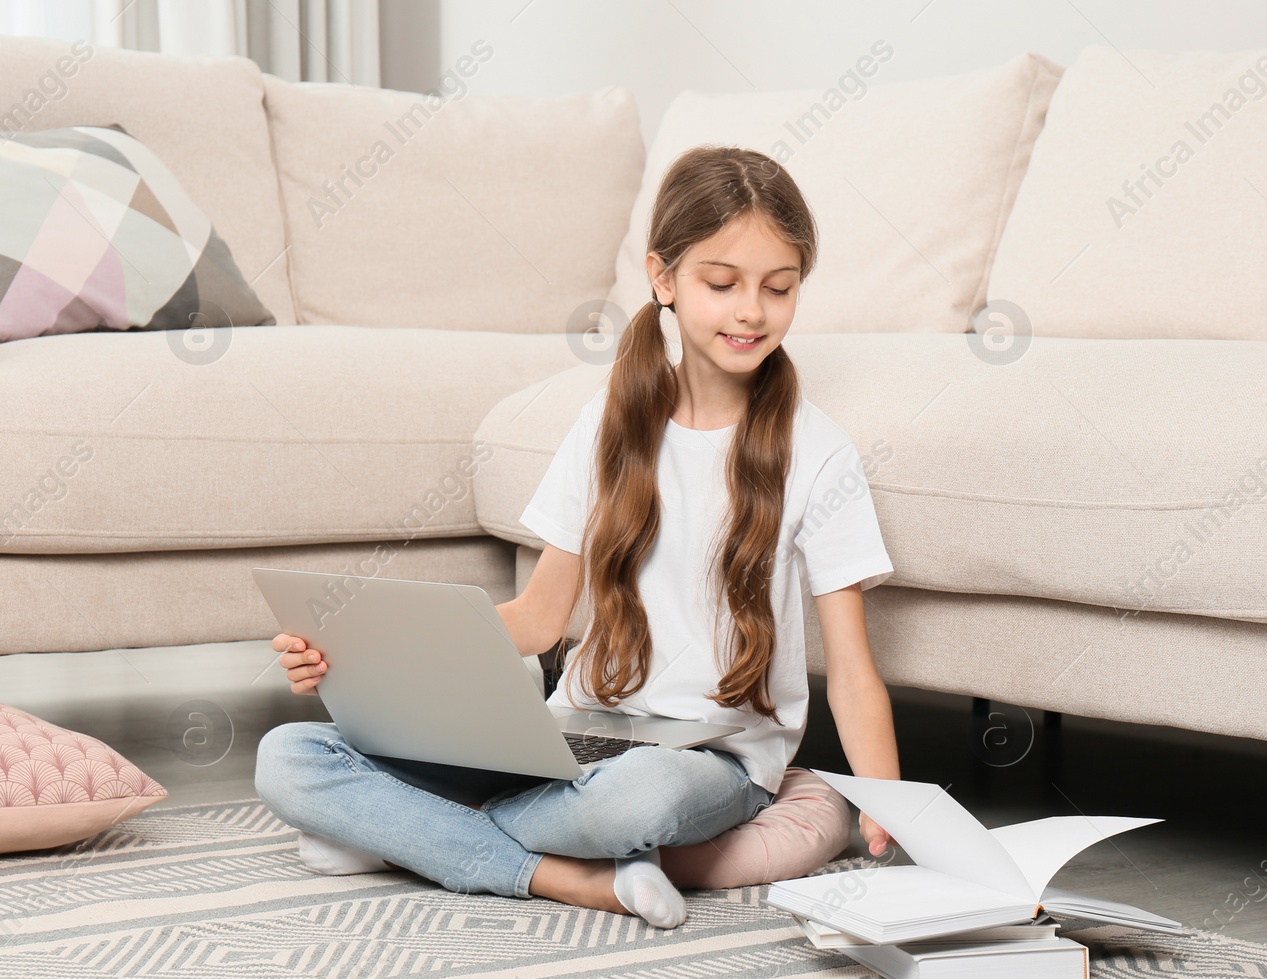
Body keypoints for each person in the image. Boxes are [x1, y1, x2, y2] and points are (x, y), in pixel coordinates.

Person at [255, 144, 902, 929]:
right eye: (721, 284)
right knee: (289, 757)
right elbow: (536, 620)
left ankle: (403, 836)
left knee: (642, 798)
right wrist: (360, 655)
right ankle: (570, 879)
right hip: (572, 733)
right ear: (664, 279)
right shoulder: (609, 423)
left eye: (779, 287)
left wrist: (890, 804)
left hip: (709, 760)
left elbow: (857, 672)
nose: (751, 312)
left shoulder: (819, 451)